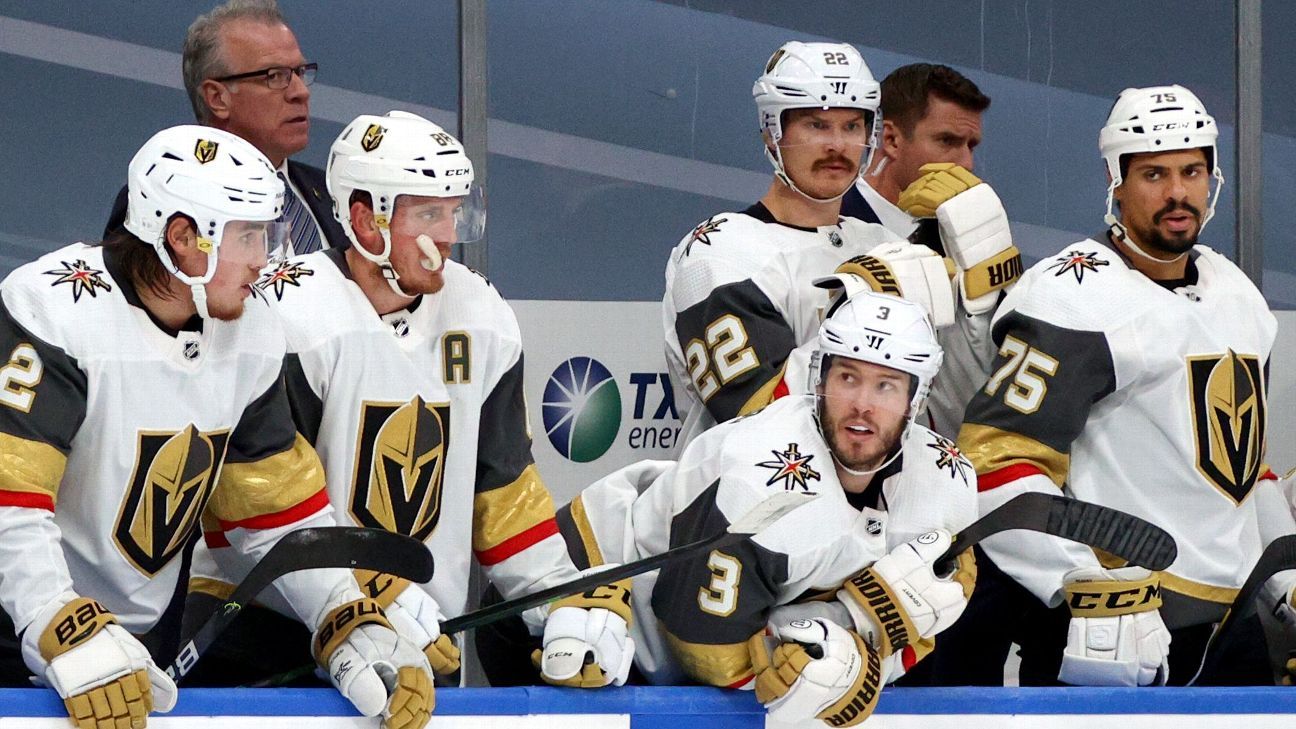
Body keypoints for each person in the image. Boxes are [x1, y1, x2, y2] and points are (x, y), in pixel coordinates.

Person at [0, 125, 434, 728]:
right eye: (249, 235)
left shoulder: (250, 330)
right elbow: (9, 503)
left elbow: (274, 515)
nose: (264, 258)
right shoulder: (53, 309)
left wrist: (343, 613)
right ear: (182, 238)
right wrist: (54, 617)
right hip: (18, 632)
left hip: (134, 649)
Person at [186, 111, 636, 690]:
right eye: (427, 213)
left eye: (454, 211)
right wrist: (358, 591)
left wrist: (555, 596)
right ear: (364, 221)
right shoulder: (286, 316)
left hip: (418, 634)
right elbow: (248, 513)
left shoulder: (482, 317)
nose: (448, 234)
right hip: (264, 633)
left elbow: (504, 491)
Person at [938, 84, 1281, 686]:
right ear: (1115, 180)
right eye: (1154, 173)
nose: (1178, 192)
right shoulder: (1073, 296)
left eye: (1192, 170)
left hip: (1233, 630)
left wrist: (1280, 573)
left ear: (1213, 176)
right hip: (1119, 628)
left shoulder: (1239, 294)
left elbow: (1241, 468)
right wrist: (1077, 583)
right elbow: (993, 463)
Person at [559, 290, 976, 725]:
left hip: (661, 667)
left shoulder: (944, 484)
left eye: (886, 385)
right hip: (577, 604)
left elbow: (927, 613)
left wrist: (863, 636)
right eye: (848, 378)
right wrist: (856, 631)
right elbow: (704, 651)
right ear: (820, 381)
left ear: (917, 398)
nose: (862, 404)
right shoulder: (760, 480)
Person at [664, 43, 1018, 449]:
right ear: (772, 132)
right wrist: (860, 303)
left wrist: (981, 304)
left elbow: (949, 415)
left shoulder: (889, 244)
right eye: (816, 125)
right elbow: (754, 422)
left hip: (883, 504)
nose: (838, 145)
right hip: (754, 505)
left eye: (852, 126)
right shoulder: (719, 251)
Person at [840, 63, 1009, 437]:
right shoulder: (830, 219)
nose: (965, 163)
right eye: (947, 142)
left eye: (971, 146)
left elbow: (996, 378)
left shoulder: (969, 233)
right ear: (892, 140)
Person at [104, 0, 347, 254]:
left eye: (300, 72)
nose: (300, 92)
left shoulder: (334, 194)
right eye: (275, 76)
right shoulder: (160, 197)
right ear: (218, 98)